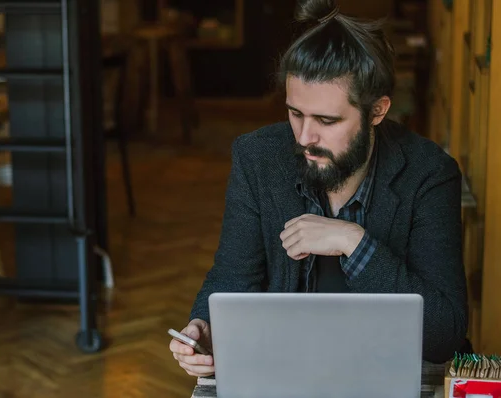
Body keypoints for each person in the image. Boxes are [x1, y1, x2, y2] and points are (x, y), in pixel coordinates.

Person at [169, 0, 468, 377]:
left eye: (326, 120)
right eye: (295, 113)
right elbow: (233, 277)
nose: (305, 137)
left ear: (377, 111)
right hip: (284, 371)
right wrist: (203, 326)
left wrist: (354, 243)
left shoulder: (429, 173)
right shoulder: (258, 157)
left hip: (385, 374)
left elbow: (444, 335)